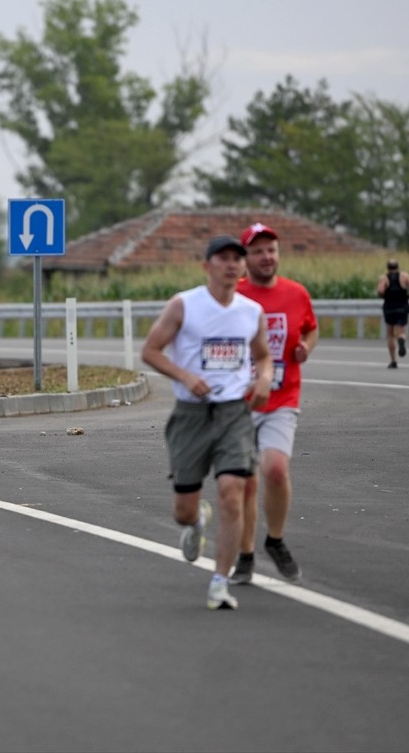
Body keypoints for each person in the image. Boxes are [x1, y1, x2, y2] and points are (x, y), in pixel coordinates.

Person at [141, 235, 272, 610]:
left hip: (233, 412)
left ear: (243, 267)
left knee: (233, 491)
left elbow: (263, 356)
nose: (231, 264)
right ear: (207, 265)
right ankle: (196, 521)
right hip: (191, 415)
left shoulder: (251, 311)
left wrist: (263, 379)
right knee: (182, 510)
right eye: (223, 258)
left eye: (237, 259)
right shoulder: (184, 305)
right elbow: (150, 350)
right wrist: (184, 377)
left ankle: (219, 581)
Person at [232, 223, 318, 585]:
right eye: (258, 251)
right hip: (239, 403)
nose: (267, 257)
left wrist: (306, 348)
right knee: (246, 483)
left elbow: (311, 328)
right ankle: (246, 555)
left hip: (283, 398)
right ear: (245, 258)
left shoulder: (296, 293)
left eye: (272, 250)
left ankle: (276, 540)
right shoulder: (232, 296)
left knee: (275, 470)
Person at [377, 259, 409, 369]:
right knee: (401, 330)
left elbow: (380, 290)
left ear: (388, 267)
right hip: (402, 306)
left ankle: (393, 361)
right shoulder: (404, 276)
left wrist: (385, 296)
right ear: (397, 267)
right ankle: (401, 339)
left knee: (390, 334)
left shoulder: (384, 278)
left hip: (389, 307)